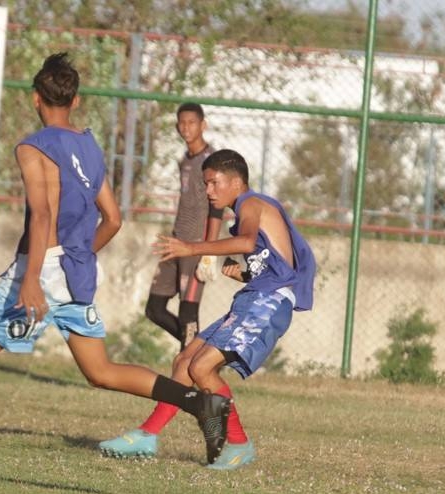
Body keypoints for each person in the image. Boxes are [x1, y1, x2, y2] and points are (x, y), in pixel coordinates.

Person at [0, 53, 230, 485]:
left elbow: (42, 215)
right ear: (75, 101)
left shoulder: (33, 147)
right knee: (101, 372)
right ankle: (200, 403)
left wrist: (32, 281)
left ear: (35, 98)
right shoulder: (89, 145)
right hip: (75, 272)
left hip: (40, 269)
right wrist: (76, 256)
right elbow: (113, 219)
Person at [98, 149, 316, 470]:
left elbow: (247, 243)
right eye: (205, 184)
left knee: (201, 368)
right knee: (184, 361)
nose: (209, 191)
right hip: (254, 296)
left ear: (236, 182)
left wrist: (193, 248)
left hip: (267, 302)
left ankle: (238, 444)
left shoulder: (251, 203)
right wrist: (244, 275)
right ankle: (148, 434)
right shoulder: (249, 209)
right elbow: (279, 262)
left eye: (214, 183)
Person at [144, 103, 224, 350]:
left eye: (192, 123)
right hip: (176, 242)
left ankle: (191, 367)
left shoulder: (211, 161)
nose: (186, 128)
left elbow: (217, 208)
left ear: (203, 125)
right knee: (154, 309)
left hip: (196, 246)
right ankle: (199, 352)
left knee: (188, 313)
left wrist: (209, 252)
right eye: (182, 123)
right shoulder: (185, 160)